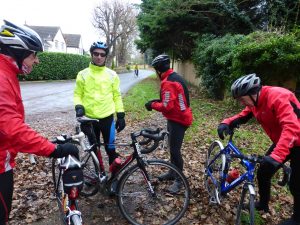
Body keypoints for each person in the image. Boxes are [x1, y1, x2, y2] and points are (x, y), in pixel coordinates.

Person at [0, 20, 79, 224]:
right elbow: (12, 129)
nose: (36, 61)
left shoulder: (7, 74)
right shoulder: (1, 77)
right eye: (33, 55)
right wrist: (53, 149)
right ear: (17, 52)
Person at [217, 74, 300, 225]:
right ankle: (263, 204)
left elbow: (292, 127)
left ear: (253, 93)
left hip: (297, 139)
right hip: (284, 140)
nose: (242, 103)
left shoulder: (278, 97)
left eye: (242, 99)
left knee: (296, 183)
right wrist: (226, 122)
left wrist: (277, 157)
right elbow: (243, 115)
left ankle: (297, 219)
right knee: (263, 171)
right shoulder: (255, 102)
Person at [145, 54, 193, 193]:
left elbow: (167, 106)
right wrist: (156, 101)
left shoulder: (168, 82)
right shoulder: (174, 77)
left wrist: (153, 104)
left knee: (175, 151)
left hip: (179, 120)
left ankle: (179, 180)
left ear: (158, 70)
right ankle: (172, 173)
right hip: (176, 117)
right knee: (172, 148)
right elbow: (171, 101)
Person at [74, 41, 125, 169]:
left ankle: (114, 176)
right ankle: (99, 174)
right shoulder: (83, 74)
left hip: (107, 118)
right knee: (94, 150)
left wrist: (120, 114)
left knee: (111, 149)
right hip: (89, 119)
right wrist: (79, 107)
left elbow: (117, 96)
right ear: (91, 54)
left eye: (102, 55)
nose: (99, 57)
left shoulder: (112, 75)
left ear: (106, 56)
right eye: (96, 54)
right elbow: (77, 94)